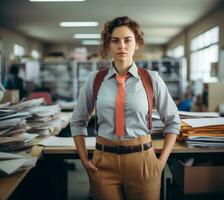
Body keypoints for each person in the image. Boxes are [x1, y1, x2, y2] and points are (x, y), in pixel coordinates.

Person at [70, 16, 180, 200]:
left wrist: (161, 163)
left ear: (137, 44)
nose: (122, 45)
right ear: (109, 45)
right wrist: (83, 159)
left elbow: (173, 122)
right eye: (115, 40)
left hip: (143, 161)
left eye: (127, 40)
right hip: (103, 162)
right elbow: (78, 121)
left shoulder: (152, 79)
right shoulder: (95, 80)